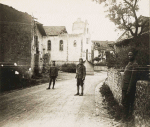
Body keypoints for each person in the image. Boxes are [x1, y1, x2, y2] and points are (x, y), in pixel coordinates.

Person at [122, 49, 139, 122]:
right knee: (124, 102)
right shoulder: (129, 63)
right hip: (124, 86)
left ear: (134, 56)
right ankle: (125, 117)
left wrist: (129, 89)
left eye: (131, 55)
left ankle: (126, 118)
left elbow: (133, 78)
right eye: (128, 55)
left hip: (129, 87)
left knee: (127, 103)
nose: (129, 56)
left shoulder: (135, 65)